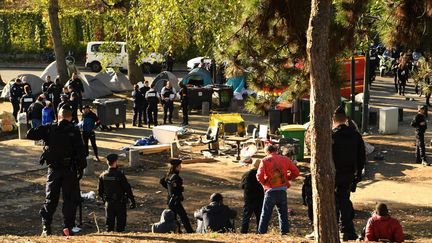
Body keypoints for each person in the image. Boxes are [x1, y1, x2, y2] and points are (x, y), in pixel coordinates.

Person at [26, 106, 87, 236]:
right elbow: (81, 152)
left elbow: (29, 134)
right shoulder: (74, 131)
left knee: (51, 199)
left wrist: (47, 128)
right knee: (69, 199)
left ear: (58, 116)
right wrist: (81, 168)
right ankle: (68, 227)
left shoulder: (50, 128)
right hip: (69, 170)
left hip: (53, 171)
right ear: (70, 118)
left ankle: (46, 227)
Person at [332, 105, 366, 241]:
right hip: (349, 173)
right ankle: (346, 229)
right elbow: (361, 156)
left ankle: (338, 226)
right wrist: (358, 174)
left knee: (335, 201)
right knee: (344, 199)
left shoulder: (332, 135)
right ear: (346, 119)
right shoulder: (355, 135)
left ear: (334, 120)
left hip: (334, 173)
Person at [256, 145, 300, 235]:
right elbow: (296, 172)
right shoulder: (285, 159)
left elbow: (259, 176)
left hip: (271, 190)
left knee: (265, 214)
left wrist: (265, 183)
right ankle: (284, 233)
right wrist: (287, 178)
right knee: (283, 214)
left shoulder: (265, 160)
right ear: (276, 150)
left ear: (267, 152)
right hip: (282, 190)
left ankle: (261, 233)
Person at [98, 154, 136, 232]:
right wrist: (132, 200)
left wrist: (105, 200)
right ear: (115, 162)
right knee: (121, 227)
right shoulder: (120, 175)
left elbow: (100, 191)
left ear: (107, 162)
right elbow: (127, 188)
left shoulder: (102, 175)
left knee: (109, 227)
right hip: (120, 203)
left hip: (109, 203)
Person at [160, 158, 193, 233]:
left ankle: (176, 231)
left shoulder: (168, 175)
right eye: (179, 166)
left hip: (170, 199)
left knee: (173, 217)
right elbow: (176, 188)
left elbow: (162, 181)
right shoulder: (176, 177)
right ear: (176, 167)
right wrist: (178, 190)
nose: (181, 167)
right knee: (183, 216)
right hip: (176, 200)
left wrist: (169, 189)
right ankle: (189, 231)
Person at [239, 159, 264, 233]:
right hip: (259, 198)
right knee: (259, 216)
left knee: (246, 216)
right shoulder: (261, 175)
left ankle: (244, 231)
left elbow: (242, 186)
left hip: (249, 198)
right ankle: (260, 231)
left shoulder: (246, 174)